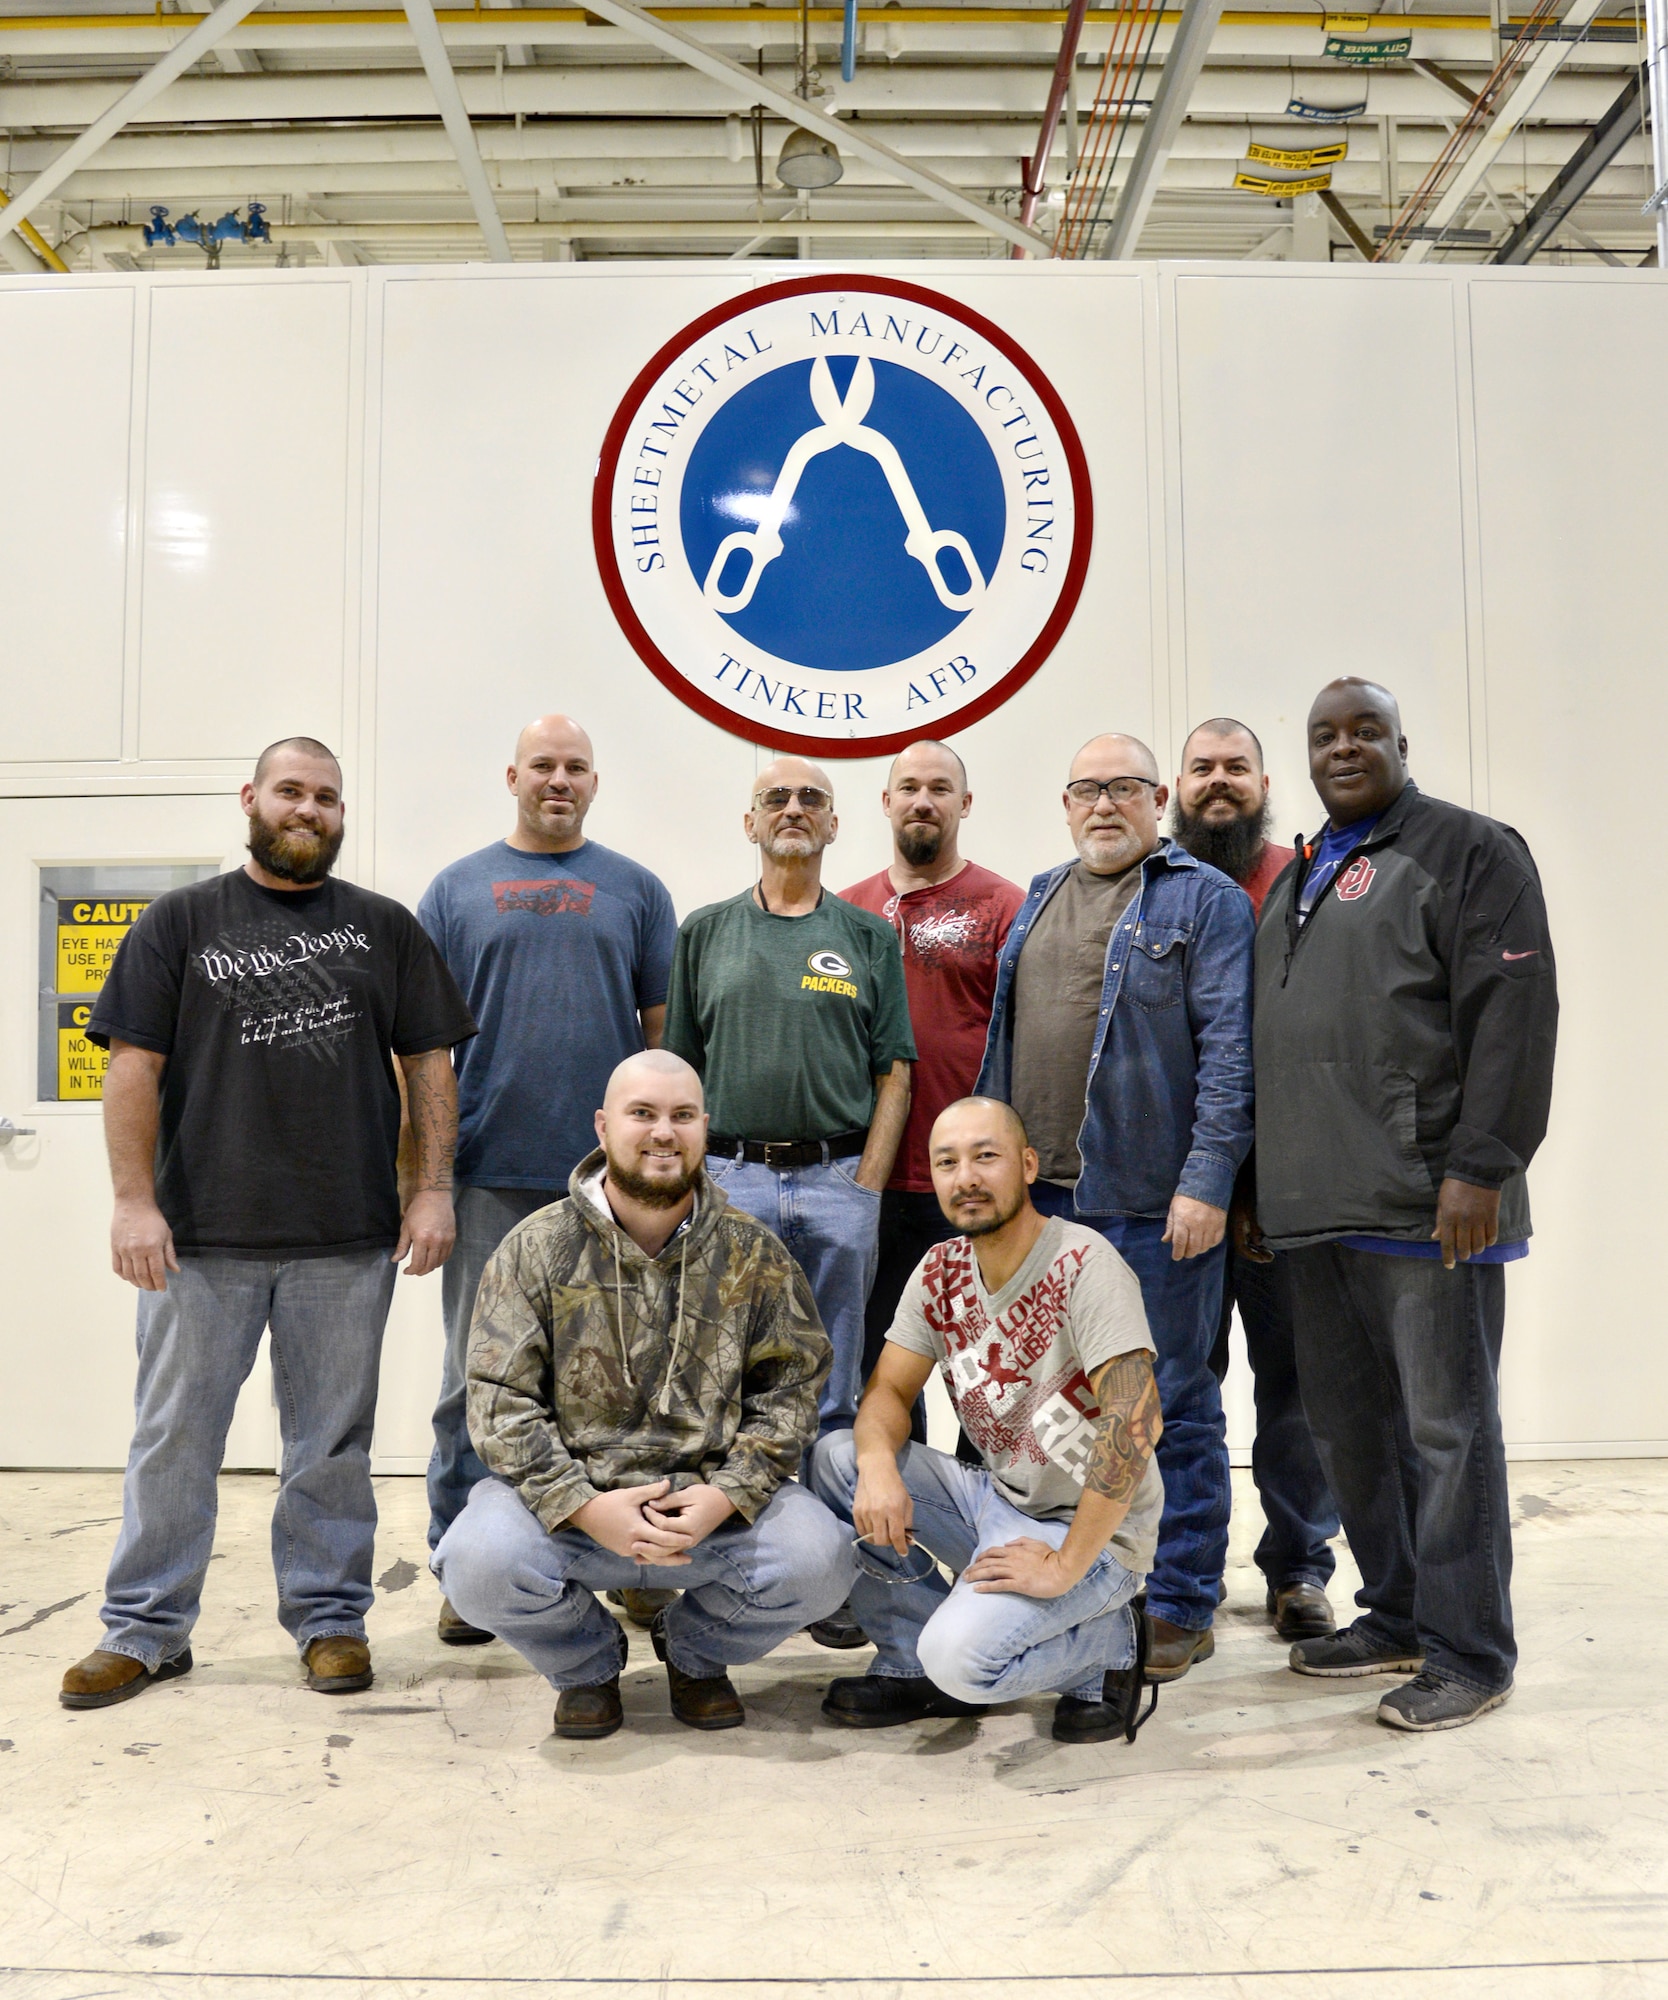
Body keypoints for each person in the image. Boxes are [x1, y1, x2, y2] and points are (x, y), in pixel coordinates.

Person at [59, 739, 477, 1710]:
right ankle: (146, 1628)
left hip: (345, 1237)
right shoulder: (179, 921)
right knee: (174, 1436)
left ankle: (331, 1618)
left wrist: (431, 1188)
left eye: (328, 797)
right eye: (292, 790)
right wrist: (132, 1200)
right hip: (200, 1239)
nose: (310, 809)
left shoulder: (386, 928)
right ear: (251, 798)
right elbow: (131, 1067)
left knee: (329, 1442)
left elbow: (430, 1069)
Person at [1250, 678, 1557, 1731]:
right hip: (1317, 1208)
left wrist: (1482, 1163)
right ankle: (1396, 1612)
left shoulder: (1471, 849)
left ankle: (1471, 1650)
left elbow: (1514, 1010)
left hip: (1432, 1204)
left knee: (1448, 1431)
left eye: (1364, 730)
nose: (1344, 747)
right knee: (1350, 1430)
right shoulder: (1299, 874)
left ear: (1400, 742)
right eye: (1324, 733)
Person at [432, 1051, 851, 1739]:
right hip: (573, 1511)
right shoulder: (536, 1248)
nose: (664, 1132)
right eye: (643, 1114)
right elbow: (499, 1401)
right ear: (603, 1126)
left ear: (704, 1128)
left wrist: (726, 1494)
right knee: (474, 1565)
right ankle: (587, 1666)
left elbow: (792, 1388)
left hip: (711, 1514)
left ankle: (696, 1654)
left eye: (682, 1116)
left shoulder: (754, 1252)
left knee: (822, 1560)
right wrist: (584, 1506)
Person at [976, 733, 1253, 1682]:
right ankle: (1092, 1579)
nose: (1105, 805)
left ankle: (1179, 1601)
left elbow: (1229, 1052)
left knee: (1167, 1405)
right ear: (1065, 804)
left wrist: (1207, 1181)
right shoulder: (1040, 897)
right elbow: (1004, 1054)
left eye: (1125, 789)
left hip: (1150, 1202)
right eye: (1087, 790)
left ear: (1158, 799)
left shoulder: (1203, 901)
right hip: (1047, 1207)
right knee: (1062, 1413)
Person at [416, 714, 677, 1643]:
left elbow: (662, 1043)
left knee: (632, 1378)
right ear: (512, 776)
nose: (557, 780)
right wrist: (430, 1182)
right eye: (542, 766)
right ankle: (462, 1562)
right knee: (474, 1378)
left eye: (574, 767)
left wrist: (659, 1171)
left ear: (594, 783)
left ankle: (639, 1559)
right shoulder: (455, 891)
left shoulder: (637, 891)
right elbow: (424, 1055)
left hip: (614, 1190)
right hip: (490, 1176)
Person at [807, 1098, 1164, 1744]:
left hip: (1095, 1535)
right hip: (997, 1503)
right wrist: (879, 1465)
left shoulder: (1083, 1263)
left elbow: (1136, 1422)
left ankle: (1111, 1641)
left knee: (964, 1664)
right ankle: (910, 1657)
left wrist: (1063, 1568)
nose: (966, 1176)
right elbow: (888, 1389)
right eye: (948, 1162)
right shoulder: (939, 1271)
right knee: (837, 1458)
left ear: (1028, 1165)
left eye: (986, 1156)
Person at [1171, 718, 1339, 1643]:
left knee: (1295, 1388)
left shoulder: (1305, 879)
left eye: (1236, 768)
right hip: (1181, 1196)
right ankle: (1175, 1570)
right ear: (1177, 788)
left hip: (1289, 1194)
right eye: (1203, 769)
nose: (1219, 783)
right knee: (1178, 1387)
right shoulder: (1150, 887)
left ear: (1265, 781)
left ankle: (1300, 1567)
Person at [840, 741, 1025, 1452]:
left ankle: (988, 1536)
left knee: (989, 1376)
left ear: (965, 804)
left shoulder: (1006, 907)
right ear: (886, 803)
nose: (924, 800)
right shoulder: (846, 913)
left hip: (971, 1185)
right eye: (909, 787)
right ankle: (898, 1542)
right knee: (884, 1369)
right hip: (872, 1182)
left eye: (940, 788)